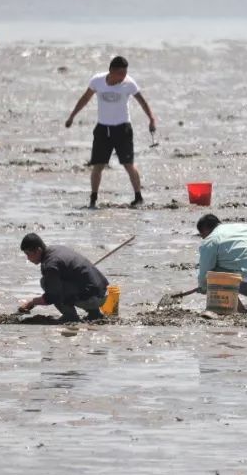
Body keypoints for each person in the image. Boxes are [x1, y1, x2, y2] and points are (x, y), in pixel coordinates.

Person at [65, 56, 157, 209]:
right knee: (98, 165)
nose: (123, 77)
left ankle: (138, 197)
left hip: (123, 129)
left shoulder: (129, 83)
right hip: (102, 129)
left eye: (125, 73)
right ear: (111, 71)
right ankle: (93, 198)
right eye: (120, 73)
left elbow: (142, 101)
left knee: (128, 164)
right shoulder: (97, 81)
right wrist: (72, 116)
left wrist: (151, 119)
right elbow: (85, 98)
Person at [17, 233, 109, 322]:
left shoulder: (50, 265)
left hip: (94, 298)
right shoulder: (56, 249)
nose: (28, 258)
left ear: (38, 250)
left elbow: (52, 297)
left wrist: (32, 302)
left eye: (28, 254)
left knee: (46, 283)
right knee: (58, 282)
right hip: (103, 292)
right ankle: (94, 313)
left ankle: (70, 316)